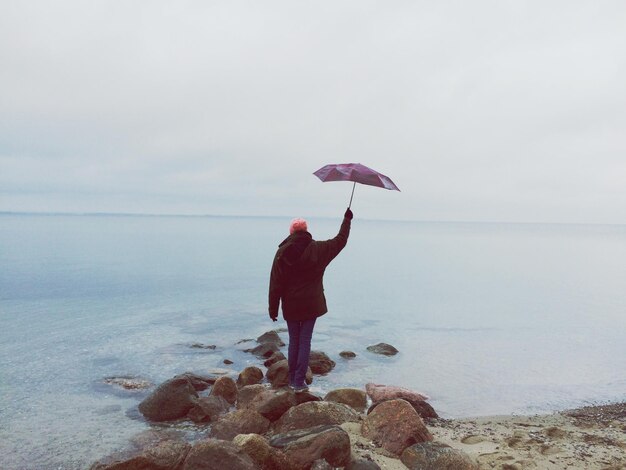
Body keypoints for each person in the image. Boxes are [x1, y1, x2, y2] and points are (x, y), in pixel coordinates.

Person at [268, 208, 353, 392]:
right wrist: (347, 219)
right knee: (305, 341)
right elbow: (341, 240)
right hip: (311, 304)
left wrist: (273, 309)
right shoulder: (319, 249)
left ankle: (293, 380)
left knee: (294, 340)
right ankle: (299, 382)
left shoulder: (282, 253)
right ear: (306, 231)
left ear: (291, 232)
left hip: (291, 304)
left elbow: (275, 283)